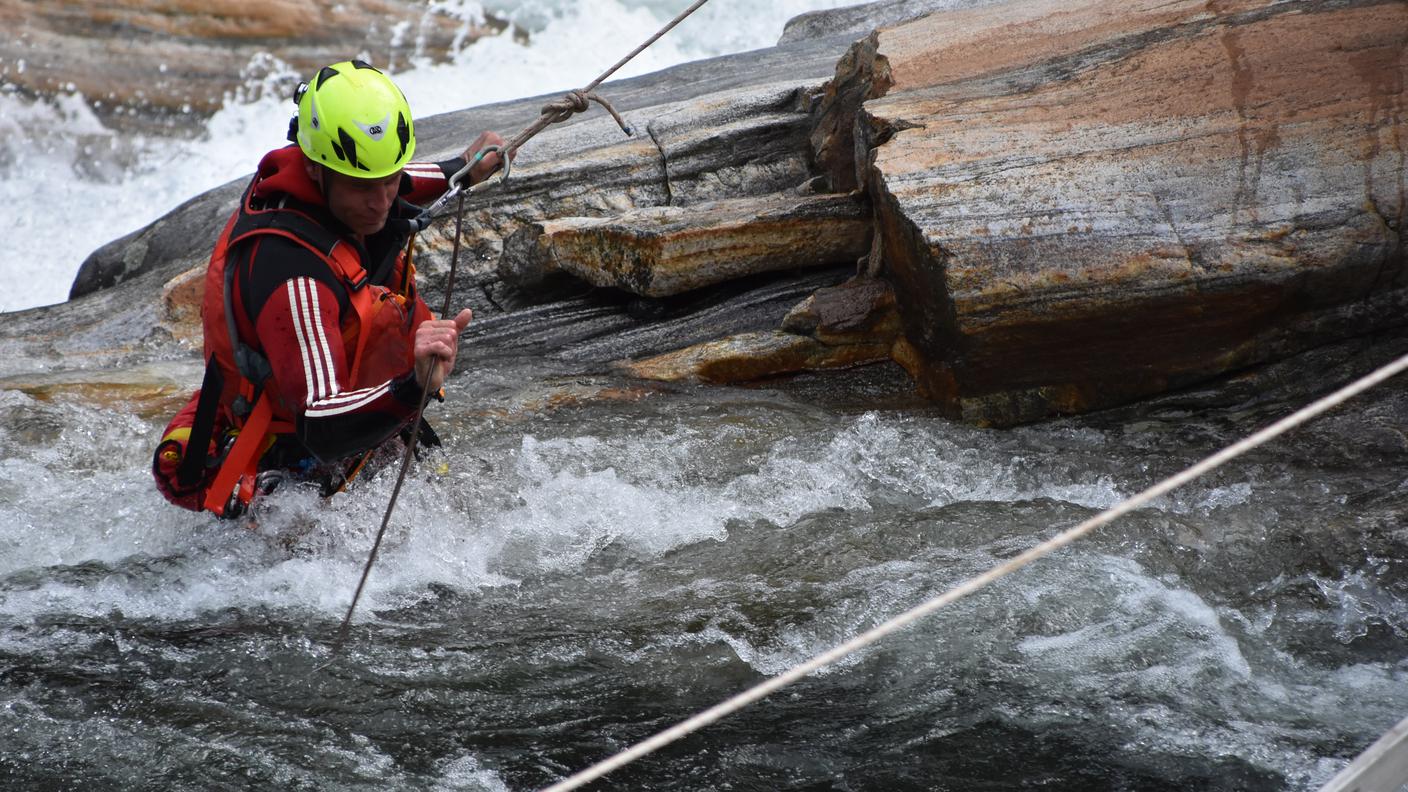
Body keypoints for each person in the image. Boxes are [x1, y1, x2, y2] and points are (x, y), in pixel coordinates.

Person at [153, 59, 506, 517]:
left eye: (389, 182)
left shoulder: (352, 182)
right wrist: (411, 384)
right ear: (317, 170)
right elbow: (321, 421)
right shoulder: (295, 275)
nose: (382, 203)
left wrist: (465, 167)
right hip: (293, 468)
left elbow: (390, 179)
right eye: (363, 188)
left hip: (355, 430)